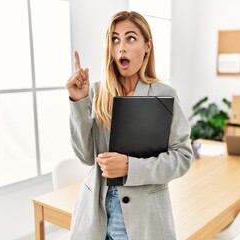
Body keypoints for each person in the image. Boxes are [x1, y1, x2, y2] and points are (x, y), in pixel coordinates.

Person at [66, 11, 193, 240]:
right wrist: (78, 101)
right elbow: (86, 157)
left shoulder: (164, 95)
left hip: (143, 220)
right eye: (115, 39)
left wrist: (130, 168)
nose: (121, 47)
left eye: (130, 38)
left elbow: (182, 157)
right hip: (96, 216)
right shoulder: (95, 92)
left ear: (147, 46)